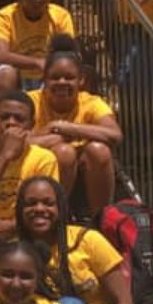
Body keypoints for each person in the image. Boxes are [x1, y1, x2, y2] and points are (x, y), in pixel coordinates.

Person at [16, 175, 145, 304]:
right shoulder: (17, 253)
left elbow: (123, 303)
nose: (39, 209)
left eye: (49, 203)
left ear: (61, 208)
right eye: (30, 203)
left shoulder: (88, 240)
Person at [28, 38, 121, 213]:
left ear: (81, 80)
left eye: (69, 77)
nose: (62, 82)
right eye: (55, 77)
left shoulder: (92, 102)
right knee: (64, 153)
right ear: (44, 80)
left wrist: (66, 127)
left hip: (86, 167)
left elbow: (114, 134)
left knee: (99, 151)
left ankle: (102, 220)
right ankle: (56, 219)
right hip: (44, 167)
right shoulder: (31, 101)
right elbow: (15, 141)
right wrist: (53, 137)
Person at [0, 89, 59, 233]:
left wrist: (10, 226)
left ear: (31, 124)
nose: (11, 123)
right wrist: (5, 157)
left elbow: (46, 208)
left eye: (19, 119)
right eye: (4, 117)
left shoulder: (44, 158)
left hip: (25, 228)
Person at [0, 0, 75, 94]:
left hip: (48, 74)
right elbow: (0, 56)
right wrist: (37, 62)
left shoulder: (61, 15)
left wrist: (49, 67)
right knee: (5, 75)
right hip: (16, 74)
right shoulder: (4, 16)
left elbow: (68, 53)